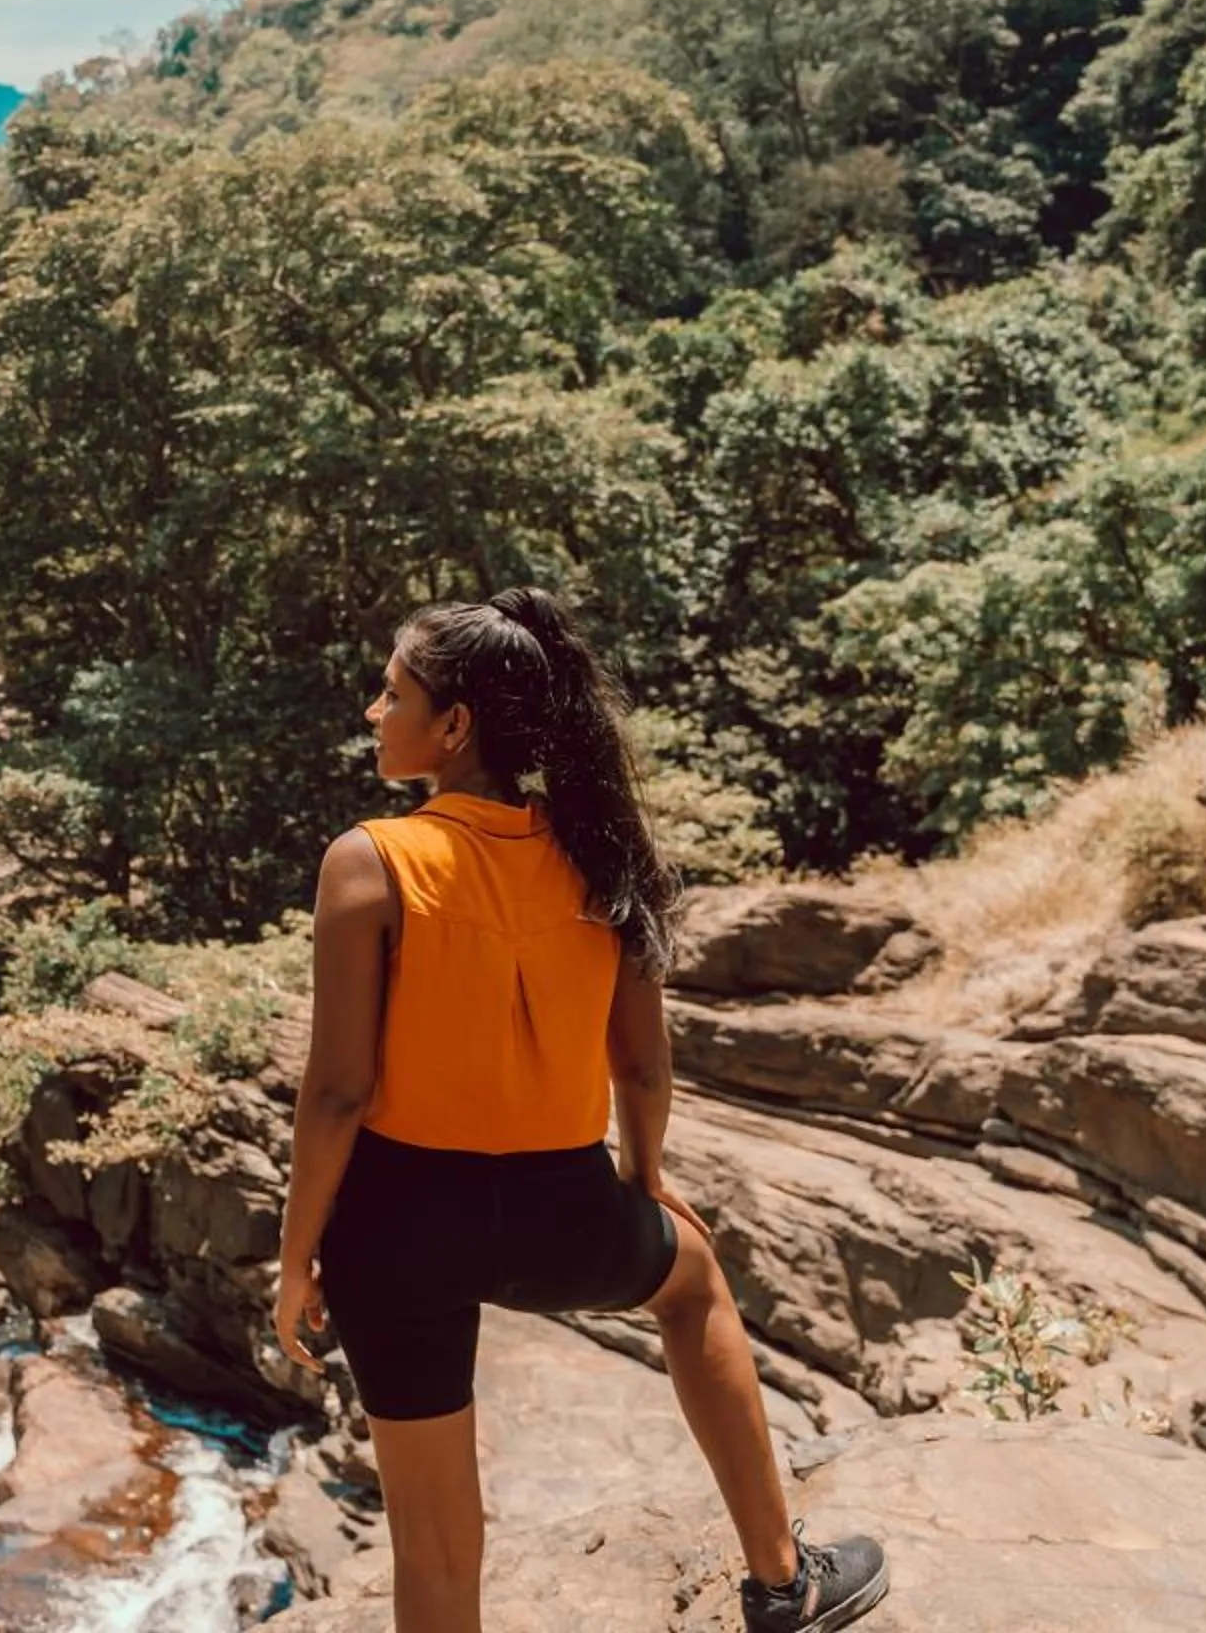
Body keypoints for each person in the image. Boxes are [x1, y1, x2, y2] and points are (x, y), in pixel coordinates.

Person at [270, 587, 888, 1633]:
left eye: (391, 692)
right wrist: (646, 1182)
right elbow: (644, 1067)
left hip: (400, 1224)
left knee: (434, 1544)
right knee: (692, 1282)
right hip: (564, 1205)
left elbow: (335, 1091)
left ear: (454, 724)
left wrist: (295, 1260)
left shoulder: (369, 859)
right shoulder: (597, 852)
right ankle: (784, 1581)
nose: (375, 713)